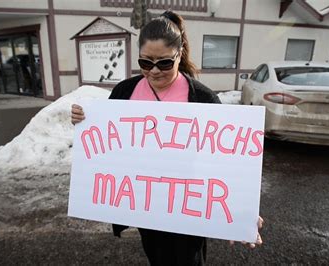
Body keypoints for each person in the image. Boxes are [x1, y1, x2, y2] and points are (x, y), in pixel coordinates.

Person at [71, 10, 263, 265]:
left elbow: (227, 161)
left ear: (179, 54)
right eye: (145, 62)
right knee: (157, 258)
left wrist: (243, 211)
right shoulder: (124, 91)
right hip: (145, 206)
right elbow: (108, 143)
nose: (154, 71)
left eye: (164, 63)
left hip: (190, 209)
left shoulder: (203, 98)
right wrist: (85, 120)